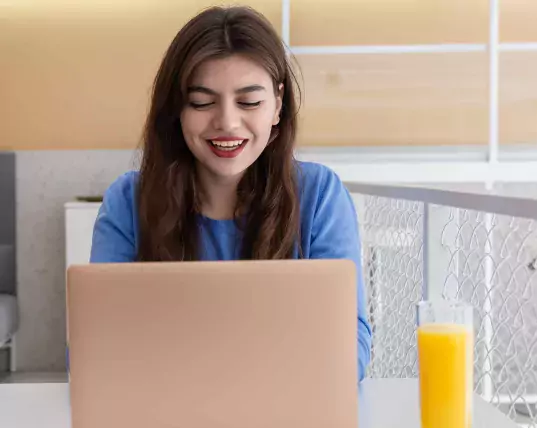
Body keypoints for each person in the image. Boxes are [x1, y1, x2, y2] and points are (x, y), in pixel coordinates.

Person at [90, 5, 372, 381]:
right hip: (165, 425)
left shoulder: (320, 196)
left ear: (277, 105)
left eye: (249, 102)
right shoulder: (127, 202)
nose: (226, 122)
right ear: (176, 109)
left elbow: (349, 349)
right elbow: (96, 352)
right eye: (202, 102)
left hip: (286, 423)